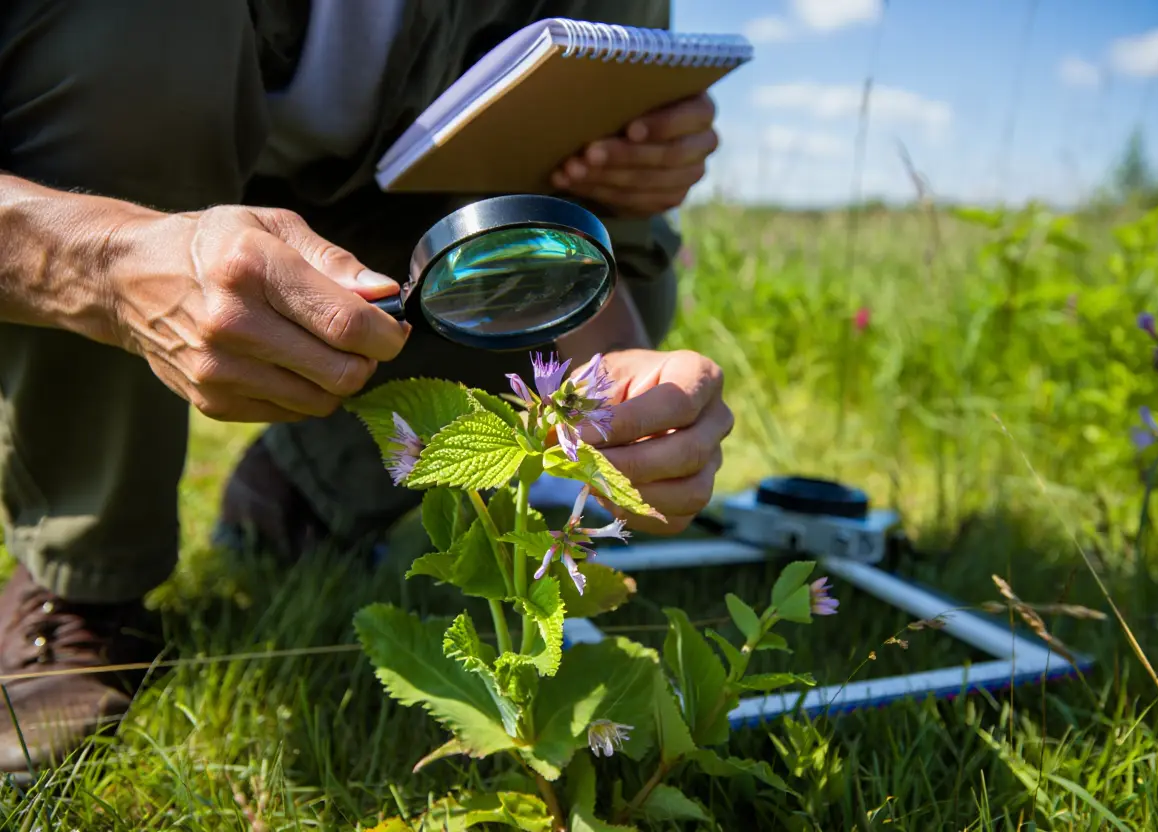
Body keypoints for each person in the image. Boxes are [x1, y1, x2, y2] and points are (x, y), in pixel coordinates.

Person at [0, 0, 735, 778]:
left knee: (629, 273)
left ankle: (308, 484)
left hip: (402, 226)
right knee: (140, 47)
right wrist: (109, 266)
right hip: (101, 189)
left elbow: (584, 241)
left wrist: (624, 394)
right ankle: (82, 574)